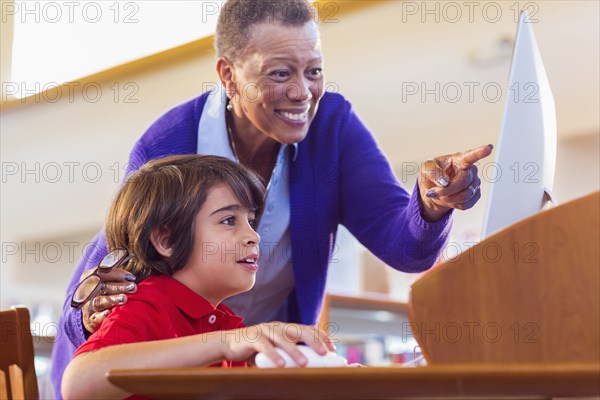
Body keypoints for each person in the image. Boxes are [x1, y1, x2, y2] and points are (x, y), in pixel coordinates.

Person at [51, 0, 492, 397]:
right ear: (228, 74)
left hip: (243, 352)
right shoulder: (168, 144)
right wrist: (95, 308)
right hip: (139, 364)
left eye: (314, 70)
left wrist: (433, 201)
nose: (302, 92)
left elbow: (405, 246)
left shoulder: (332, 129)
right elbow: (106, 282)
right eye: (280, 73)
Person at [61, 155, 334, 400]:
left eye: (250, 220)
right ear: (166, 240)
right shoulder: (147, 306)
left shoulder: (222, 322)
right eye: (229, 220)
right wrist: (225, 345)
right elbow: (78, 383)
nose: (254, 235)